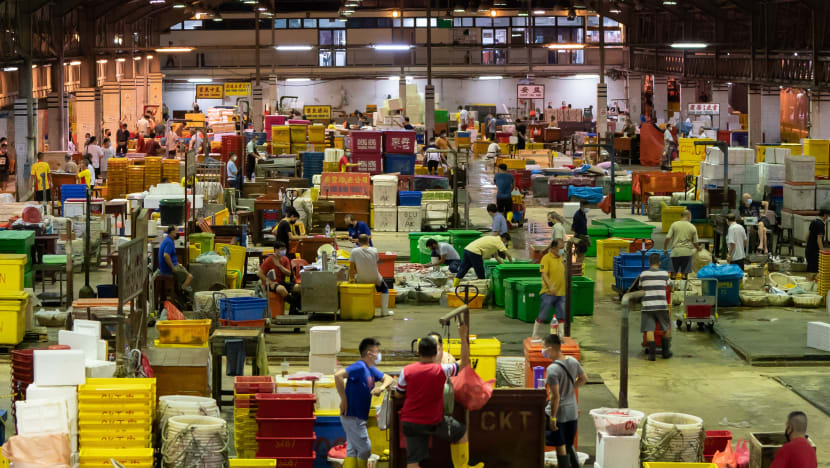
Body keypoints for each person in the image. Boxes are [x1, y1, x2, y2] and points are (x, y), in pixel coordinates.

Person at [395, 322, 483, 468]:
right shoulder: (441, 370)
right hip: (432, 421)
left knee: (413, 460)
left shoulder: (406, 370)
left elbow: (399, 394)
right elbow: (465, 363)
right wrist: (462, 337)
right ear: (436, 352)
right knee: (461, 433)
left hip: (409, 422)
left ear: (419, 352)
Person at [335, 337, 395, 468]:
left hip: (358, 416)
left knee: (352, 450)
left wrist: (381, 387)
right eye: (377, 352)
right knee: (365, 449)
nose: (379, 355)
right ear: (369, 353)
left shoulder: (370, 369)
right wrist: (343, 399)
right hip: (352, 415)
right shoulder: (360, 366)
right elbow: (338, 375)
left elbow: (388, 378)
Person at [543, 334, 587, 468]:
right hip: (572, 411)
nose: (543, 351)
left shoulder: (552, 369)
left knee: (560, 445)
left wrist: (552, 418)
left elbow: (555, 396)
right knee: (568, 443)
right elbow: (583, 378)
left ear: (550, 348)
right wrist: (571, 388)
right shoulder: (573, 361)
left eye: (544, 348)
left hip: (559, 412)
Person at [634, 253, 674, 360]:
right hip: (661, 306)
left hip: (648, 306)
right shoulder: (664, 273)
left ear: (649, 263)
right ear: (659, 262)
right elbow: (670, 286)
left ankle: (652, 356)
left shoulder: (643, 274)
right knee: (666, 328)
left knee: (649, 329)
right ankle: (665, 353)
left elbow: (640, 287)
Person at [350, 234, 393, 317]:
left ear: (358, 242)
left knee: (355, 280)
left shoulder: (354, 251)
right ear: (368, 241)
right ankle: (384, 312)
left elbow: (351, 269)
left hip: (361, 279)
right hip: (375, 278)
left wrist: (351, 280)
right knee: (385, 289)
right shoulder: (375, 250)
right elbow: (374, 263)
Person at [533, 239, 566, 338]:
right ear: (554, 248)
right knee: (543, 315)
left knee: (561, 315)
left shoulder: (561, 258)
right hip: (548, 293)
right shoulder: (546, 258)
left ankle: (561, 335)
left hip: (561, 292)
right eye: (560, 248)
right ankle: (535, 334)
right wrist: (550, 286)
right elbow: (544, 274)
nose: (562, 250)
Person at [257, 242, 298, 312]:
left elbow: (288, 273)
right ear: (275, 250)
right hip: (270, 284)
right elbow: (259, 273)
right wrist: (270, 282)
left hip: (281, 282)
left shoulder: (285, 259)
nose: (283, 251)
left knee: (298, 288)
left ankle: (294, 310)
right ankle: (299, 306)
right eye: (281, 249)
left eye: (284, 249)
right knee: (282, 289)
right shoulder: (269, 260)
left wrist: (279, 265)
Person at [664, 210, 700, 280]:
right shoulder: (692, 226)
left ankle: (673, 289)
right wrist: (698, 249)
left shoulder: (674, 224)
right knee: (684, 275)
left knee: (673, 274)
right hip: (687, 253)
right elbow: (695, 242)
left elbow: (668, 237)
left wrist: (665, 248)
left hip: (675, 252)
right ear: (688, 216)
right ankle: (683, 288)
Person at [158, 225, 193, 292]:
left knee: (183, 271)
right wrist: (173, 268)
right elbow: (166, 255)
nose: (178, 233)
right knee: (189, 277)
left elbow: (170, 256)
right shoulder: (169, 242)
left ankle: (181, 289)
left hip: (171, 265)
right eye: (176, 231)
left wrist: (176, 263)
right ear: (171, 232)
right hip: (168, 269)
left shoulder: (169, 240)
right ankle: (182, 290)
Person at [805, 208, 829, 280]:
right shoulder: (821, 224)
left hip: (808, 250)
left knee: (810, 270)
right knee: (814, 271)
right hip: (815, 252)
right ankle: (809, 287)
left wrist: (808, 245)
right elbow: (819, 239)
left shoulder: (813, 221)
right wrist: (822, 252)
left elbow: (807, 235)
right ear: (825, 215)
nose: (828, 217)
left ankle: (808, 285)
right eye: (828, 216)